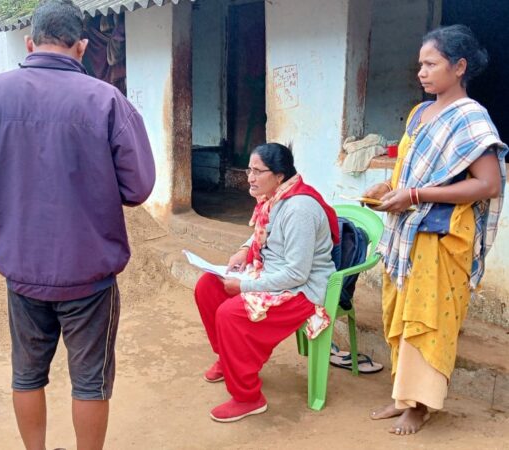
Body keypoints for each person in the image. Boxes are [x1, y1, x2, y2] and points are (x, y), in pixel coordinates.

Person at [0, 1, 155, 448]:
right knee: (90, 382)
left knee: (26, 375)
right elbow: (139, 188)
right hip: (89, 274)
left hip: (22, 271)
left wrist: (13, 184)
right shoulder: (107, 100)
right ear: (81, 46)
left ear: (29, 42)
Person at [364, 25, 507, 435]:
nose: (422, 72)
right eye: (420, 65)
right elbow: (409, 171)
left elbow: (489, 184)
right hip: (405, 233)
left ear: (459, 67)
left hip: (441, 236)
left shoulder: (471, 118)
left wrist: (414, 195)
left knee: (429, 320)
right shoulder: (419, 113)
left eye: (431, 64)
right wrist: (388, 187)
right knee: (402, 314)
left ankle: (420, 406)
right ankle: (402, 396)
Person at [194, 143, 339, 422]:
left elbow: (297, 274)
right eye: (250, 169)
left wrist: (244, 287)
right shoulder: (274, 197)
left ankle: (249, 398)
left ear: (280, 176)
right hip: (271, 273)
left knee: (230, 313)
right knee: (207, 286)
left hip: (301, 290)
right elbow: (263, 231)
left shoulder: (299, 209)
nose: (250, 177)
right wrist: (243, 249)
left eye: (258, 171)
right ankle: (228, 359)